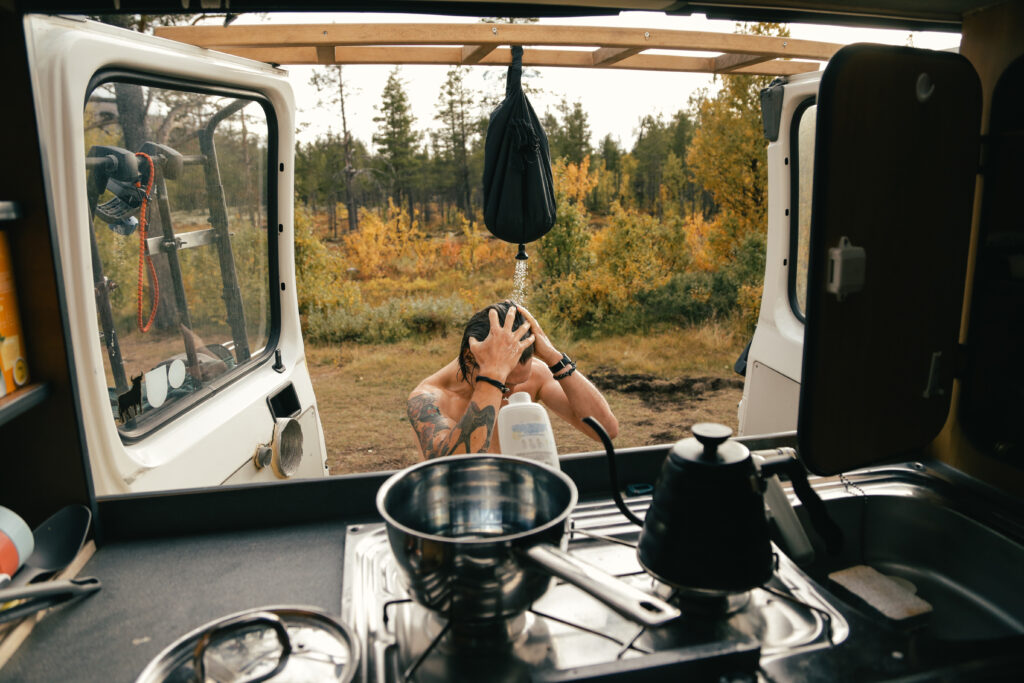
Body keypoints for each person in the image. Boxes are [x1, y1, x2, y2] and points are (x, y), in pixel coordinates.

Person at [407, 301, 619, 459]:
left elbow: (606, 431)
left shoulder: (534, 374)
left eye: (518, 382)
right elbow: (453, 469)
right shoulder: (427, 400)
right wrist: (493, 378)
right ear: (470, 357)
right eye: (505, 383)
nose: (512, 391)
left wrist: (555, 358)